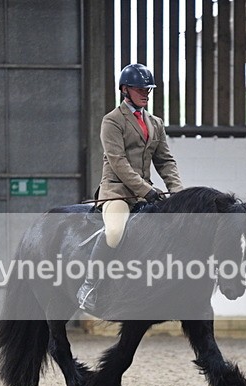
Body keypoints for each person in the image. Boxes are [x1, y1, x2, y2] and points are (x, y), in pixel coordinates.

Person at [77, 63, 184, 311]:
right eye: (140, 89)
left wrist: (178, 193)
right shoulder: (112, 121)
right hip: (117, 193)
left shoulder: (155, 123)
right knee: (115, 232)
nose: (145, 93)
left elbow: (165, 161)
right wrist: (146, 190)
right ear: (125, 90)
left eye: (148, 89)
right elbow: (118, 162)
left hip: (145, 195)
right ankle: (89, 285)